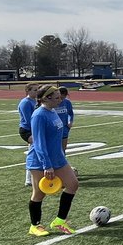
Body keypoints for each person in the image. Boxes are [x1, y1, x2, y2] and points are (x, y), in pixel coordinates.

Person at [26, 84, 79, 236]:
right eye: (56, 97)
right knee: (39, 193)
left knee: (73, 184)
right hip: (40, 161)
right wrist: (46, 165)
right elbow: (39, 143)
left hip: (58, 158)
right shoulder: (39, 115)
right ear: (46, 98)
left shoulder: (52, 111)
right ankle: (34, 225)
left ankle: (59, 221)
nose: (60, 99)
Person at [17, 82, 38, 186]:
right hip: (27, 130)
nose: (37, 92)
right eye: (34, 90)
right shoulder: (25, 102)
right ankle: (28, 179)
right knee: (33, 152)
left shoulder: (36, 101)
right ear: (28, 91)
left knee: (36, 151)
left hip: (34, 129)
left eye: (38, 89)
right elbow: (29, 119)